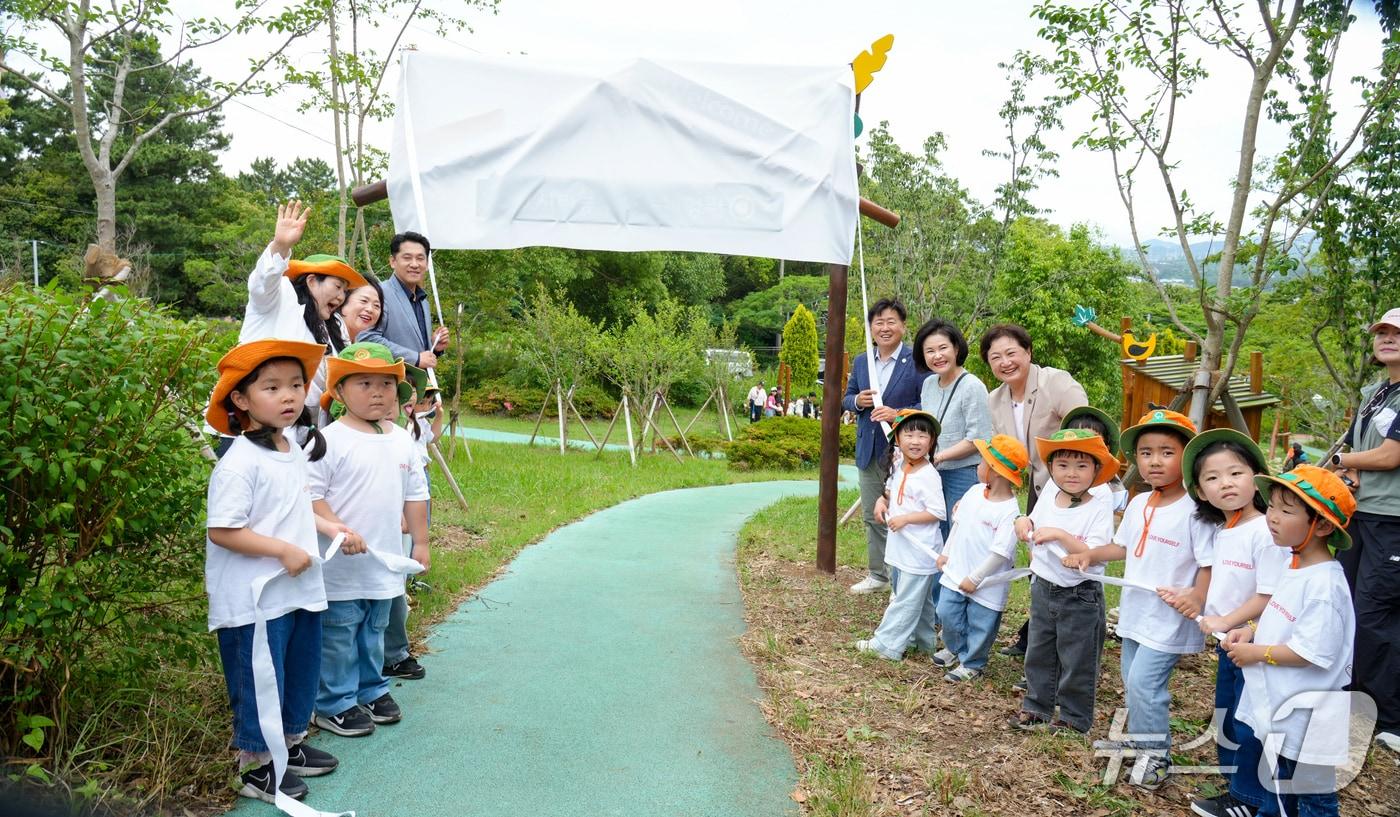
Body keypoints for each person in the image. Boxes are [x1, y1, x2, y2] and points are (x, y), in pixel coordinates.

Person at [203, 339, 356, 803]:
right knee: (258, 680)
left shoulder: (289, 448)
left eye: (295, 385)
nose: (288, 396)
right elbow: (223, 530)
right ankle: (256, 767)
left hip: (298, 589)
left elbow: (291, 508)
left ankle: (288, 743)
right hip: (254, 599)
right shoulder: (239, 463)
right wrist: (283, 551)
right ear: (242, 400)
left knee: (298, 669)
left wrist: (328, 526)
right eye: (272, 387)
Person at [1064, 409, 1214, 789]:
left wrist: (1197, 596)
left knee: (1146, 684)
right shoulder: (1137, 503)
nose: (1154, 461)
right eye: (1146, 453)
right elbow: (1121, 547)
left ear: (1188, 457)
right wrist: (1090, 555)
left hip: (1169, 618)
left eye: (1166, 451)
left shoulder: (1197, 510)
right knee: (1132, 682)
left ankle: (1156, 757)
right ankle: (1144, 740)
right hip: (1136, 612)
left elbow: (1209, 564)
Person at [309, 343, 430, 738]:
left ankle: (371, 687)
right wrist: (336, 527)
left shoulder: (402, 440)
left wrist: (422, 543)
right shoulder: (327, 440)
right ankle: (335, 701)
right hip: (340, 566)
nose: (378, 392)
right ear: (339, 392)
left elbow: (415, 494)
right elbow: (309, 495)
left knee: (375, 628)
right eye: (364, 383)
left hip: (385, 560)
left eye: (386, 383)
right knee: (340, 631)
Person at [1225, 465, 1357, 817]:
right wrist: (1252, 628)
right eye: (1271, 506)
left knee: (1302, 796)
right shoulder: (1295, 566)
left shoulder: (1324, 587)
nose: (1272, 517)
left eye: (1286, 511)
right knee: (1283, 786)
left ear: (1323, 526)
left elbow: (1310, 652)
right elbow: (1282, 619)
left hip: (1306, 717)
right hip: (1286, 708)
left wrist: (1254, 652)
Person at [1185, 429, 1288, 817]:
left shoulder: (1265, 531)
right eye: (1212, 478)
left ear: (1256, 477)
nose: (1225, 483)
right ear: (1200, 492)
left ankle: (1249, 798)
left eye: (1235, 473)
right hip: (1228, 641)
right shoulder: (1223, 529)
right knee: (1228, 711)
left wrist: (1225, 620)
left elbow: (1268, 594)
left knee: (1248, 720)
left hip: (1255, 643)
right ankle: (1236, 785)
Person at [982, 323, 1088, 657]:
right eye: (995, 357)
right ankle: (1037, 637)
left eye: (1012, 353)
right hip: (1034, 488)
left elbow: (1083, 427)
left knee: (1068, 564)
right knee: (1040, 563)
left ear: (1028, 352)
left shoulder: (1055, 382)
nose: (1005, 362)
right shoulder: (995, 398)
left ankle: (1066, 643)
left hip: (1071, 486)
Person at [1011, 428, 1117, 734]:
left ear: (1097, 470)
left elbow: (1093, 553)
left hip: (1079, 593)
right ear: (1051, 468)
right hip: (1044, 587)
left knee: (1077, 658)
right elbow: (1034, 522)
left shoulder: (1099, 502)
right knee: (1039, 651)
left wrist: (1060, 535)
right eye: (1063, 465)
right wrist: (1023, 521)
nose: (1071, 473)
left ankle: (1073, 718)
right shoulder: (1049, 493)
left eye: (1082, 466)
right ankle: (1036, 707)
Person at [1331, 308, 1400, 755]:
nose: (1388, 338)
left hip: (1394, 519)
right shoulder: (1378, 391)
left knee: (1377, 612)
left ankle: (1391, 717)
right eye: (1382, 332)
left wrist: (1341, 463)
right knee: (1347, 605)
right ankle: (1355, 700)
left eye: (1397, 333)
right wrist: (1350, 477)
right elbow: (1364, 448)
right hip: (1361, 511)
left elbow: (1391, 456)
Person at [843, 299, 930, 594]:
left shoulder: (917, 362)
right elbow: (847, 397)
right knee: (873, 515)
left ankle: (903, 581)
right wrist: (857, 402)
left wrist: (898, 414)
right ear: (870, 328)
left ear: (903, 326)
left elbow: (927, 403)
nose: (884, 328)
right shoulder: (861, 361)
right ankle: (878, 575)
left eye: (891, 321)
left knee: (904, 515)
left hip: (905, 453)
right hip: (869, 451)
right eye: (878, 323)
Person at [933, 434, 1028, 682]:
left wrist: (976, 578)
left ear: (995, 471)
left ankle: (972, 662)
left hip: (986, 582)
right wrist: (946, 552)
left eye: (982, 462)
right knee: (946, 611)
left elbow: (1000, 553)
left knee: (981, 623)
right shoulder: (974, 492)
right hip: (956, 570)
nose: (977, 467)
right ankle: (955, 648)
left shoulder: (1010, 511)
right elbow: (958, 524)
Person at [854, 410, 945, 660]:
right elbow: (890, 492)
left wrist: (906, 519)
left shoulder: (929, 475)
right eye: (909, 434)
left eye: (922, 435)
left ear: (932, 441)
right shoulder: (899, 465)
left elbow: (937, 511)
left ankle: (887, 646)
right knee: (920, 600)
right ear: (897, 439)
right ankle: (923, 642)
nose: (915, 441)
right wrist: (882, 503)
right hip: (900, 548)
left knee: (905, 599)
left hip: (920, 550)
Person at [915, 319, 993, 541]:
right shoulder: (928, 384)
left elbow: (978, 438)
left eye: (943, 348)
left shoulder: (972, 386)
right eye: (929, 351)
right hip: (932, 471)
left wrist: (938, 456)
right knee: (936, 533)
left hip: (963, 473)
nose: (937, 356)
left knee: (959, 534)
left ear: (956, 348)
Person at [358, 231, 449, 371]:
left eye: (420, 258)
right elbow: (366, 338)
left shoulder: (423, 300)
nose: (414, 264)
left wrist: (434, 346)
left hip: (419, 387)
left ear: (427, 263)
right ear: (393, 261)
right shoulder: (379, 294)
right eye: (407, 258)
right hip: (389, 385)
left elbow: (421, 353)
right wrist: (415, 358)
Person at [339, 279, 385, 343]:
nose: (370, 309)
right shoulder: (325, 335)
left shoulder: (357, 345)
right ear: (344, 299)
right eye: (364, 301)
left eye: (376, 305)